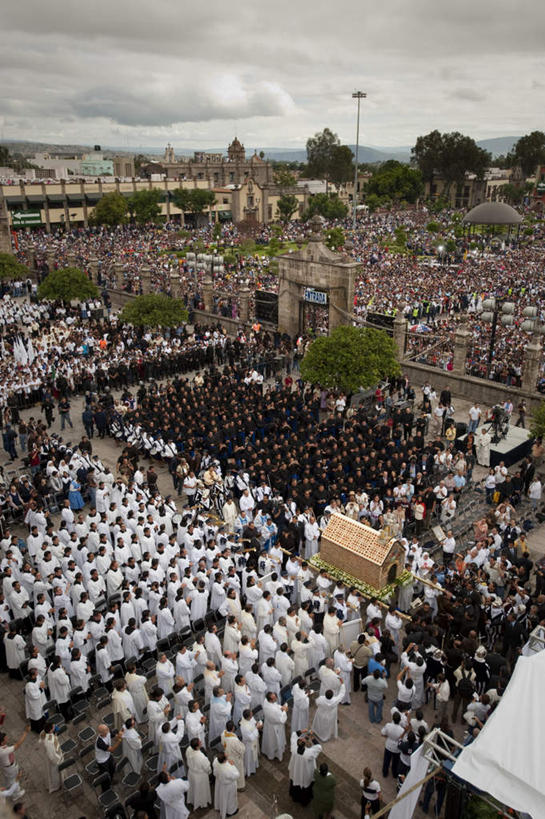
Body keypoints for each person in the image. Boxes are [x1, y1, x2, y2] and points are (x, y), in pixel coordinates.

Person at [288, 730, 322, 806]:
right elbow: (319, 747)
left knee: (295, 783)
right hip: (305, 772)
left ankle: (295, 797)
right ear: (305, 745)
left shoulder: (293, 748)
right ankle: (304, 801)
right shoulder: (309, 753)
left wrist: (302, 731)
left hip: (296, 771)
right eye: (302, 739)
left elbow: (294, 735)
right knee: (305, 786)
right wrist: (312, 737)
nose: (303, 739)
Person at [0, 726, 30, 799]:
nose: (7, 738)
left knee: (9, 779)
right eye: (5, 738)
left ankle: (8, 787)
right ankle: (16, 794)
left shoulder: (2, 747)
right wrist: (25, 733)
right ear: (2, 742)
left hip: (5, 767)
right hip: (10, 768)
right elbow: (17, 745)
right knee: (14, 780)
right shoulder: (3, 751)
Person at [186, 737, 212, 810]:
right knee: (201, 791)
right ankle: (202, 803)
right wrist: (209, 771)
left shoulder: (188, 749)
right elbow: (207, 767)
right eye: (199, 742)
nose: (201, 742)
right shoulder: (201, 757)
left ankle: (193, 800)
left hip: (191, 773)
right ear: (197, 746)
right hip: (200, 776)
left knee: (193, 789)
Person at [213, 751, 240, 819]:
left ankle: (220, 807)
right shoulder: (228, 769)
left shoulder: (215, 761)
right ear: (224, 759)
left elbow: (215, 773)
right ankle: (231, 811)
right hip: (229, 786)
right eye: (226, 755)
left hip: (220, 783)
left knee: (222, 797)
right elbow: (237, 775)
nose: (227, 754)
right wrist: (233, 765)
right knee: (230, 799)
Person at [262, 691, 288, 761]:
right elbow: (281, 720)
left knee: (269, 739)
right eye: (274, 698)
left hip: (268, 724)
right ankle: (275, 754)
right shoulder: (273, 711)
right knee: (275, 741)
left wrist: (281, 707)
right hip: (275, 727)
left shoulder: (266, 701)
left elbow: (275, 705)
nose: (276, 698)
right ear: (271, 700)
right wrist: (284, 711)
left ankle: (268, 750)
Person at [39, 722, 64, 793]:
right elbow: (51, 755)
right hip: (54, 760)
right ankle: (55, 786)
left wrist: (55, 735)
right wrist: (58, 759)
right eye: (53, 727)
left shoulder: (44, 732)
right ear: (50, 730)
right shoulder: (48, 742)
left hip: (55, 753)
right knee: (54, 774)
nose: (55, 727)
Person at [381, 712, 404, 778]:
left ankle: (385, 773)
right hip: (397, 748)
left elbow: (382, 733)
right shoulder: (402, 730)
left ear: (392, 719)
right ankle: (394, 774)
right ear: (400, 720)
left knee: (386, 760)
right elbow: (403, 739)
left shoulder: (388, 725)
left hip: (388, 745)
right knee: (395, 762)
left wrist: (387, 736)